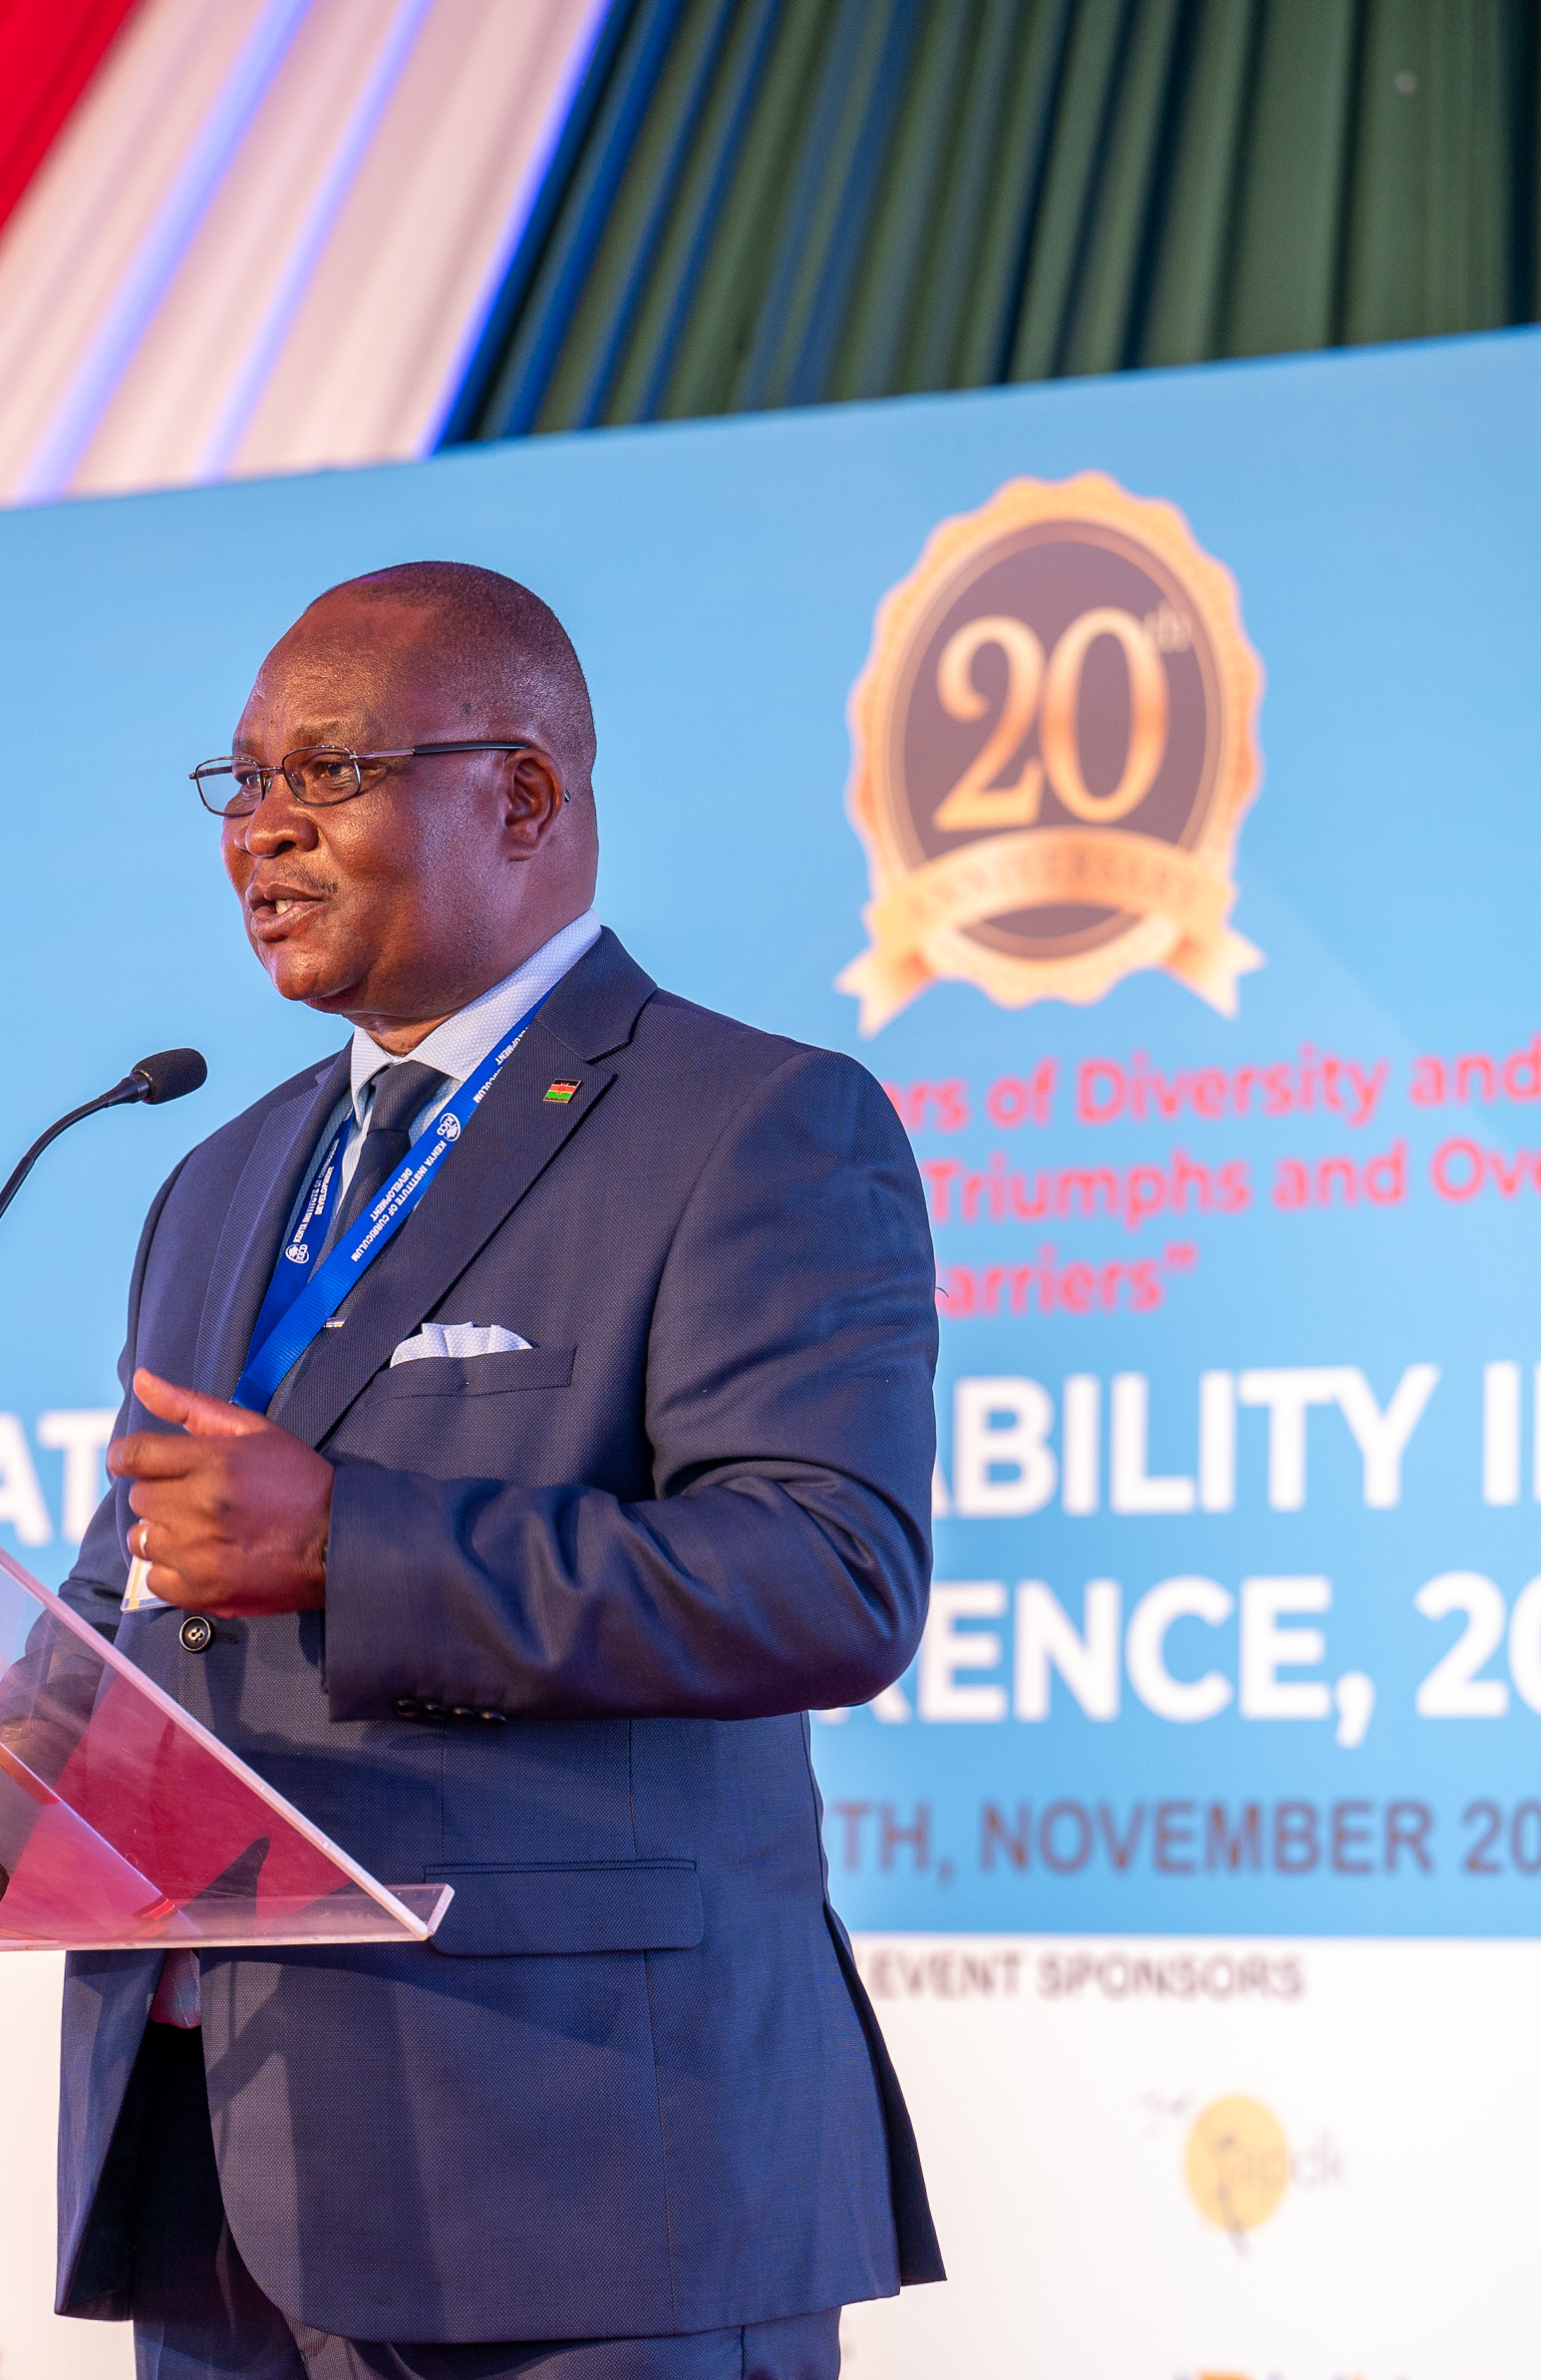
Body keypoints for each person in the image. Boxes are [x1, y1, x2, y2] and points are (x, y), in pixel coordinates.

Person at [54, 561, 943, 2380]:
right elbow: (143, 1579)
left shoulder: (751, 1125)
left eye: (325, 772)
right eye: (243, 782)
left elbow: (828, 1574)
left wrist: (351, 1547)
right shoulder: (214, 1178)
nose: (261, 832)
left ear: (519, 793)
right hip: (222, 2165)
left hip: (583, 2172)